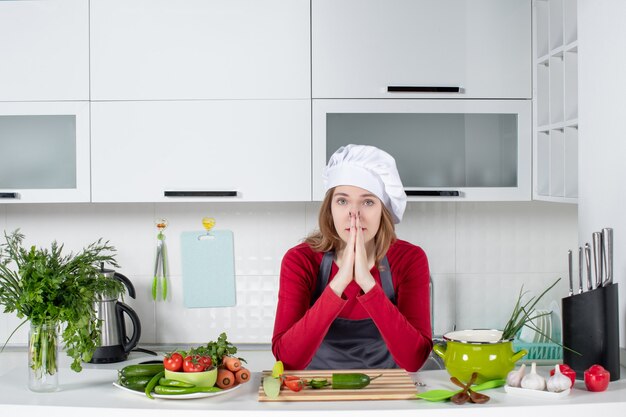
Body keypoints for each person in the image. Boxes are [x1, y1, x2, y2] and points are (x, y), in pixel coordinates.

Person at [271, 144, 432, 371]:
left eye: (368, 202)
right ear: (330, 209)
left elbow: (414, 361)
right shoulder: (300, 260)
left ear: (383, 210)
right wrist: (338, 284)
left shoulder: (409, 259)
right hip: (316, 393)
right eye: (342, 201)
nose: (353, 214)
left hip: (387, 393)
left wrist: (367, 282)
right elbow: (288, 360)